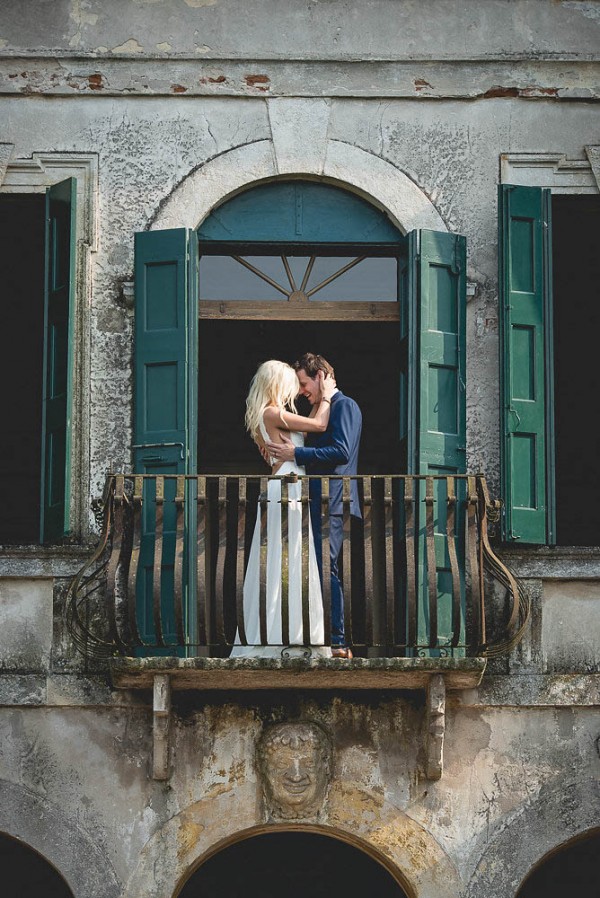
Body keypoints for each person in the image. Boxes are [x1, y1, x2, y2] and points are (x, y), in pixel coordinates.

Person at [230, 359, 335, 658]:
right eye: (291, 383)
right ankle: (285, 635)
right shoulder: (273, 413)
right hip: (289, 486)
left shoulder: (266, 416)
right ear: (277, 384)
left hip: (286, 482)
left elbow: (307, 432)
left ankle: (287, 631)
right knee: (290, 557)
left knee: (286, 558)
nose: (296, 391)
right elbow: (320, 425)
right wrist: (326, 394)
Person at [266, 353, 362, 659]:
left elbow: (342, 451)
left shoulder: (345, 405)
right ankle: (322, 638)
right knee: (317, 568)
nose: (302, 391)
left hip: (334, 498)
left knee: (326, 568)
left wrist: (297, 454)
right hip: (318, 500)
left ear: (320, 376)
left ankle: (337, 642)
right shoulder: (323, 409)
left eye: (305, 383)